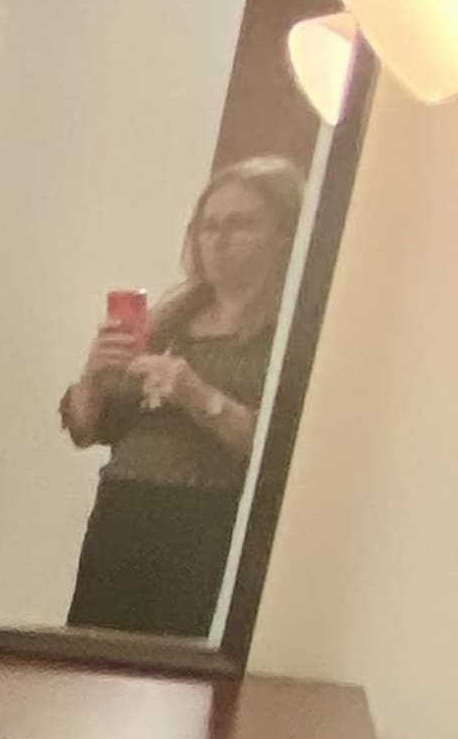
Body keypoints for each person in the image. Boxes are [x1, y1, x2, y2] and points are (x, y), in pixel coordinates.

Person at [57, 156, 306, 637]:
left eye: (242, 225)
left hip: (209, 526)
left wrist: (199, 397)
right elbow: (86, 430)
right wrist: (92, 378)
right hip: (122, 514)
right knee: (92, 667)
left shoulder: (290, 337)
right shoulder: (168, 321)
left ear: (284, 235)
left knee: (177, 681)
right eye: (209, 226)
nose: (220, 239)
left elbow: (283, 451)